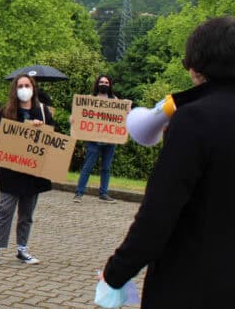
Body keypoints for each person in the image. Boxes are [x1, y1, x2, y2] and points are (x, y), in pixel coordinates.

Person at [98, 17, 235, 307]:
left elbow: (159, 213)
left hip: (194, 283)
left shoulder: (195, 118)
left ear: (197, 66)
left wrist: (116, 273)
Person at [0, 74, 54, 269]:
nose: (24, 89)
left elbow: (53, 138)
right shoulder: (5, 111)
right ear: (15, 89)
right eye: (20, 86)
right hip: (10, 170)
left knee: (27, 213)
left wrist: (43, 128)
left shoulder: (43, 111)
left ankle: (22, 248)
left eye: (27, 85)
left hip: (33, 172)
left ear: (33, 88)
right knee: (4, 210)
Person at [73, 75, 118, 203]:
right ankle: (79, 193)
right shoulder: (90, 99)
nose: (104, 84)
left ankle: (104, 193)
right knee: (87, 166)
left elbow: (120, 118)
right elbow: (81, 115)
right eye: (101, 82)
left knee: (106, 168)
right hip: (93, 141)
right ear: (97, 83)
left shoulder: (115, 100)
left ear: (110, 85)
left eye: (106, 82)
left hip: (110, 140)